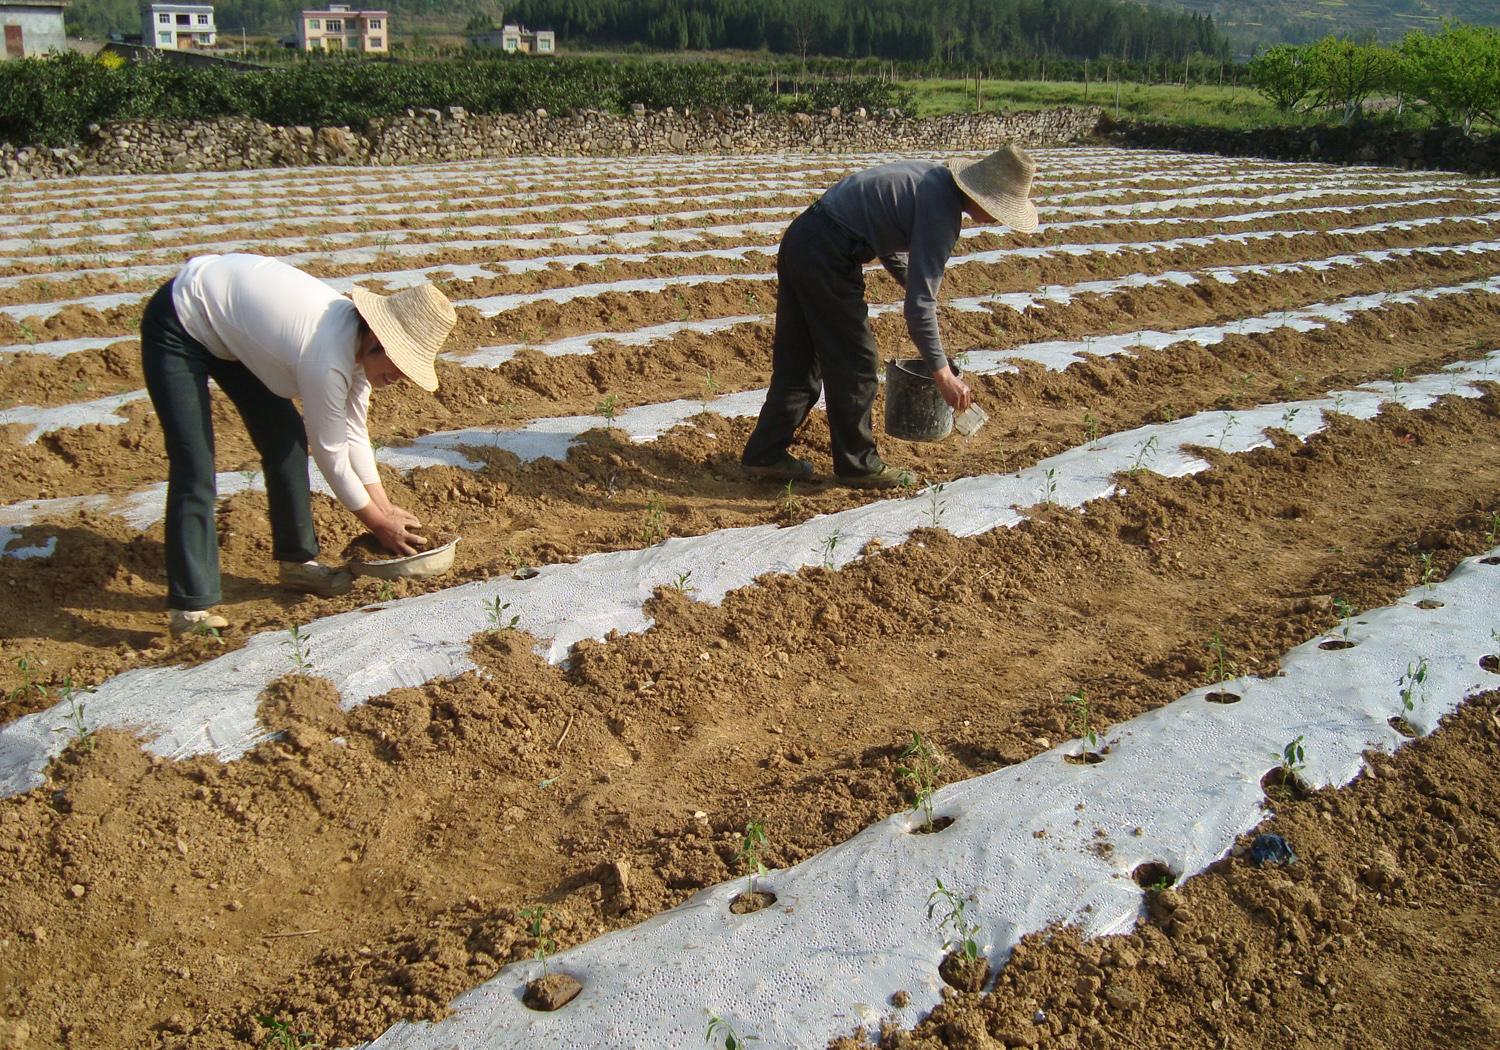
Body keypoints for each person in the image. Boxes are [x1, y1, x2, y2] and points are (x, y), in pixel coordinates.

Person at [140, 253, 457, 636]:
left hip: (233, 331)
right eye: (402, 363)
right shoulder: (327, 358)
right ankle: (191, 608)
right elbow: (329, 451)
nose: (402, 376)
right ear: (379, 339)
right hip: (182, 319)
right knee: (195, 463)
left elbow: (353, 432)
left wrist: (386, 506)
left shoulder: (359, 349)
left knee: (285, 439)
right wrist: (377, 523)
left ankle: (296, 564)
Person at [740, 144, 1039, 488]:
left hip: (803, 238)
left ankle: (764, 454)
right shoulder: (942, 213)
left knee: (799, 363)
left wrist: (914, 284)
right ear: (984, 195)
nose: (997, 220)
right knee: (857, 363)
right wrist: (943, 375)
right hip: (827, 254)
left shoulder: (930, 179)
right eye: (1000, 210)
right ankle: (857, 465)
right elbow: (918, 308)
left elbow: (885, 237)